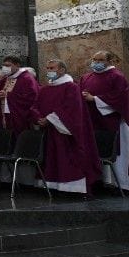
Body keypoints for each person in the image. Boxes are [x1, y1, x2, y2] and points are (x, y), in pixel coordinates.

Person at [31, 59, 101, 194]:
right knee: (50, 159)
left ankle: (70, 187)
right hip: (48, 131)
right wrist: (38, 117)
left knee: (66, 158)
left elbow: (71, 109)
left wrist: (50, 119)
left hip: (64, 131)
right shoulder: (45, 89)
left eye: (52, 68)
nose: (49, 71)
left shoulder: (71, 87)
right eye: (48, 68)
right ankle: (51, 185)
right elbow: (35, 105)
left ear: (62, 70)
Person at [81, 50, 129, 192]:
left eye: (100, 60)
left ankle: (120, 184)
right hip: (94, 120)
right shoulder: (87, 77)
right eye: (94, 59)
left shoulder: (117, 77)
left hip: (115, 121)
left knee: (117, 153)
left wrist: (94, 99)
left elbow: (120, 98)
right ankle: (100, 181)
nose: (96, 63)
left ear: (110, 61)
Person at [0, 56, 38, 135]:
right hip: (4, 114)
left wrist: (8, 95)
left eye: (8, 65)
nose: (4, 68)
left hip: (18, 115)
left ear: (17, 65)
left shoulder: (27, 79)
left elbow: (31, 97)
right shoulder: (5, 79)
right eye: (3, 65)